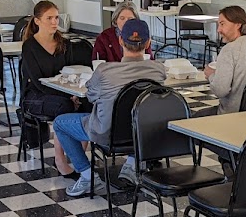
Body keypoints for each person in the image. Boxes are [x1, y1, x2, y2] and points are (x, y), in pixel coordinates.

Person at [52, 18, 166, 196]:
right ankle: (130, 164)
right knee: (138, 114)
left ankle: (87, 176)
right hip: (143, 133)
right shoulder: (158, 71)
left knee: (60, 123)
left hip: (106, 133)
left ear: (120, 40)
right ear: (149, 42)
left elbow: (90, 96)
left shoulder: (104, 71)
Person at [204, 6, 246, 113]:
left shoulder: (229, 50)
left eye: (222, 24)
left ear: (238, 24)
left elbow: (220, 90)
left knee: (190, 119)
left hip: (234, 115)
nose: (218, 30)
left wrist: (211, 75)